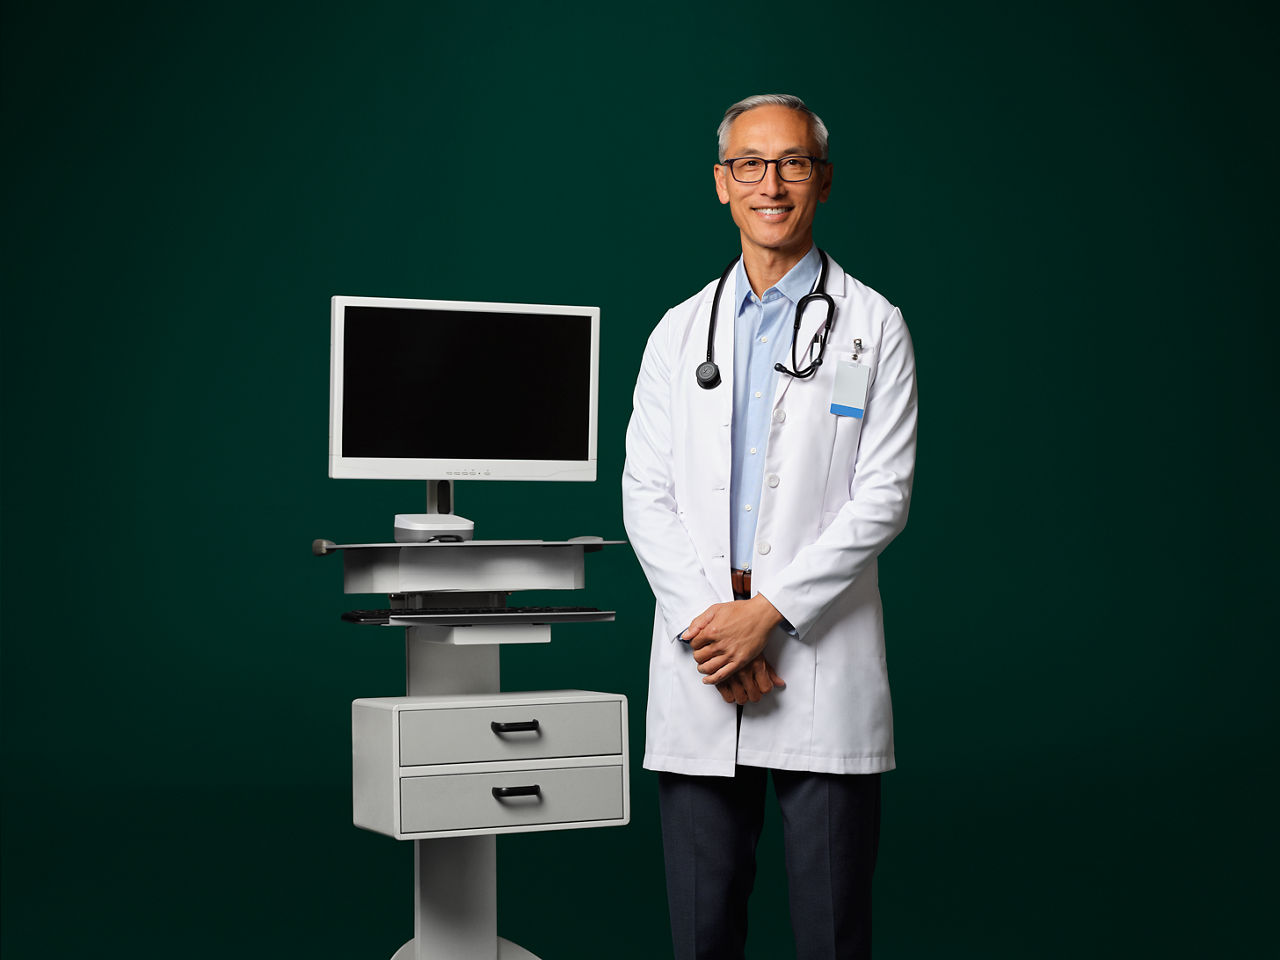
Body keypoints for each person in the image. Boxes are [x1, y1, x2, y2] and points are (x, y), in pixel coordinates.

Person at [621, 94, 919, 960]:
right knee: (702, 934)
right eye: (750, 164)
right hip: (705, 655)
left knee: (831, 934)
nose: (772, 184)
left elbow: (883, 496)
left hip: (814, 658)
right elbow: (646, 494)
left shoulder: (874, 326)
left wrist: (771, 615)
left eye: (792, 163)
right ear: (722, 184)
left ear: (821, 180)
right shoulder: (678, 334)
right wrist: (716, 629)